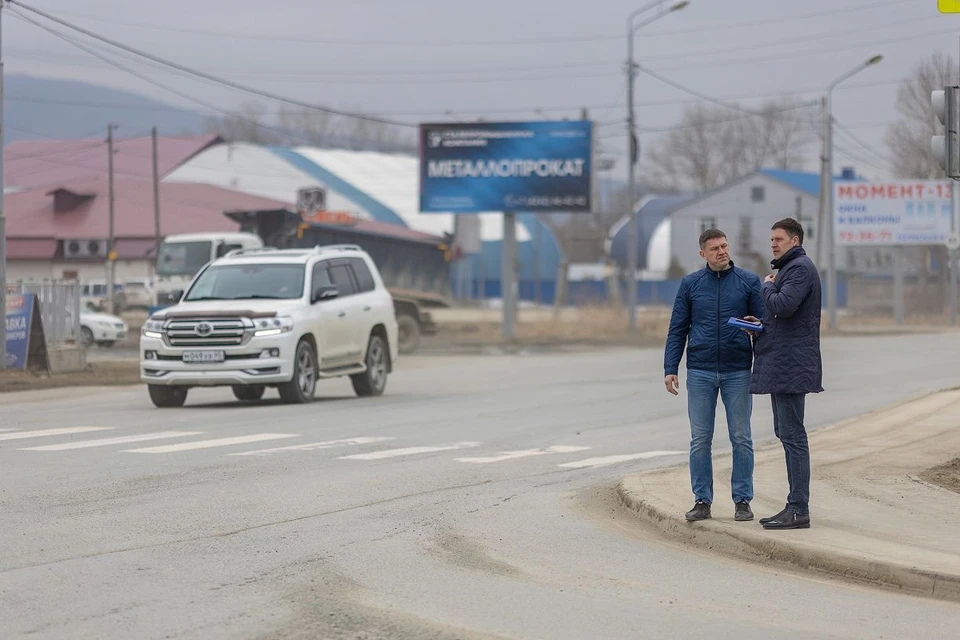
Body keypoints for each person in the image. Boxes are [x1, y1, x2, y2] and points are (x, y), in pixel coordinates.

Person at [664, 228, 764, 523]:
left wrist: (755, 325)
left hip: (737, 370)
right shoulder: (691, 284)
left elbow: (765, 324)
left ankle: (743, 501)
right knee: (700, 439)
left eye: (724, 246)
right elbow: (677, 329)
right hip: (700, 370)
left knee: (741, 437)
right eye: (715, 248)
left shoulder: (748, 282)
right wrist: (671, 367)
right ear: (703, 254)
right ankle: (702, 501)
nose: (722, 251)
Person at [743, 217, 823, 531]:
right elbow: (783, 316)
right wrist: (759, 325)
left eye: (778, 239)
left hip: (791, 366)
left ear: (795, 240)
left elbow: (785, 306)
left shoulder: (799, 269)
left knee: (793, 436)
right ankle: (794, 505)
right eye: (772, 239)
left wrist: (767, 284)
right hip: (785, 363)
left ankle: (799, 508)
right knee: (787, 434)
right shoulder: (791, 270)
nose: (773, 243)